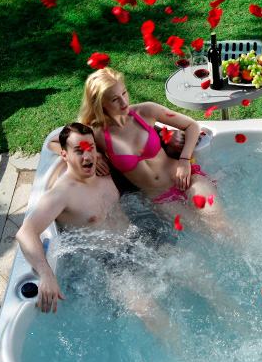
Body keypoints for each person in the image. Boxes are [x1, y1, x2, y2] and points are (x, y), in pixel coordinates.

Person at [16, 123, 171, 334]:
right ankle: (181, 352)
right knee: (150, 312)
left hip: (139, 240)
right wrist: (46, 274)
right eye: (79, 151)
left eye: (90, 148)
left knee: (195, 272)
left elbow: (126, 129)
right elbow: (25, 232)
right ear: (65, 155)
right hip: (110, 265)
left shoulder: (103, 170)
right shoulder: (61, 194)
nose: (87, 156)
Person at [77, 67, 225, 230]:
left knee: (220, 226)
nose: (124, 102)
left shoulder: (145, 111)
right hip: (161, 199)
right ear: (100, 103)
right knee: (201, 231)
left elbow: (192, 126)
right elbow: (59, 142)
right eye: (114, 99)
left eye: (124, 93)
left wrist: (184, 161)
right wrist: (95, 154)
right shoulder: (97, 133)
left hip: (187, 178)